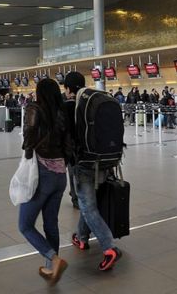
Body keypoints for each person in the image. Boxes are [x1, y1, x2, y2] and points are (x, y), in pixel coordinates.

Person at [19, 78, 71, 285]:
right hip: (60, 174)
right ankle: (51, 269)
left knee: (25, 225)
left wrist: (28, 150)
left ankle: (54, 259)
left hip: (42, 172)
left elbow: (29, 135)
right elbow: (68, 142)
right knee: (51, 224)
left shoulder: (34, 108)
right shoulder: (63, 112)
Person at [70, 89, 123, 272]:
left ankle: (109, 248)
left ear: (69, 89)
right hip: (106, 161)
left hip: (85, 163)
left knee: (88, 207)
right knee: (90, 204)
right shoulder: (96, 100)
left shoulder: (75, 106)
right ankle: (81, 237)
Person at [62, 72, 83, 208]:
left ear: (68, 89)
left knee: (73, 171)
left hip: (74, 149)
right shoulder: (89, 101)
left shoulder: (67, 106)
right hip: (92, 148)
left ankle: (76, 198)